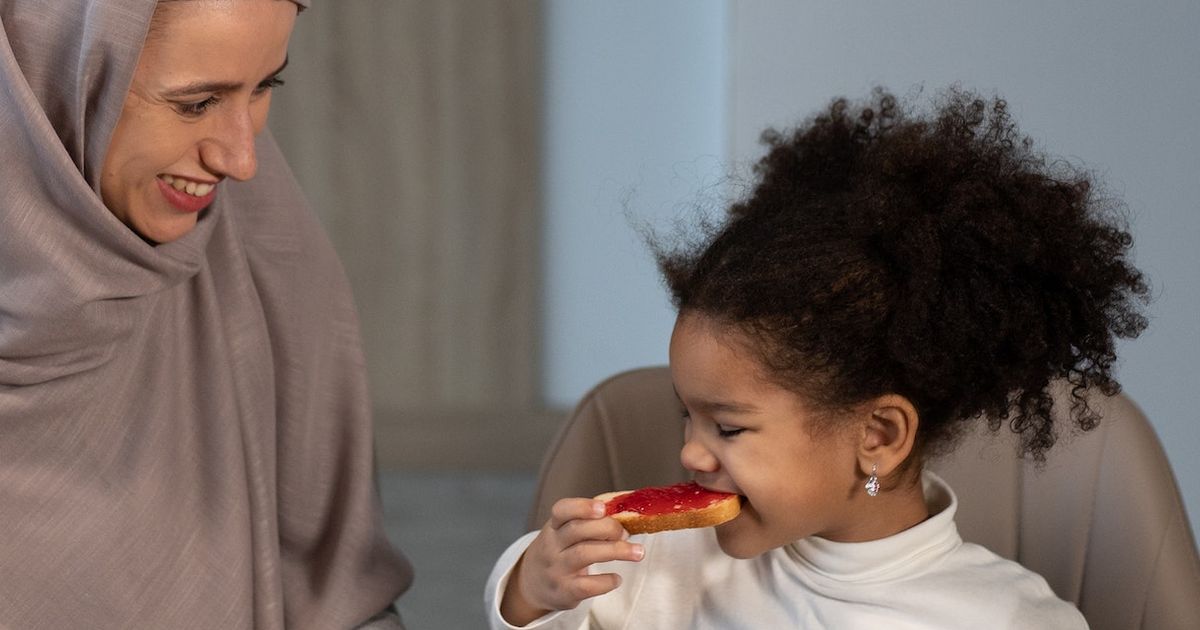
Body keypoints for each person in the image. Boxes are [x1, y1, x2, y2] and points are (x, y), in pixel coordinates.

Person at [486, 89, 1149, 628]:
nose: (691, 453)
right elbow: (531, 618)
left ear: (877, 437)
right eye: (687, 416)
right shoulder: (665, 562)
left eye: (730, 426)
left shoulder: (1010, 619)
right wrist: (535, 587)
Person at [0, 1, 411, 628]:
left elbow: (341, 599)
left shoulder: (263, 263)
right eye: (196, 104)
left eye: (263, 87)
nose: (242, 161)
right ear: (45, 74)